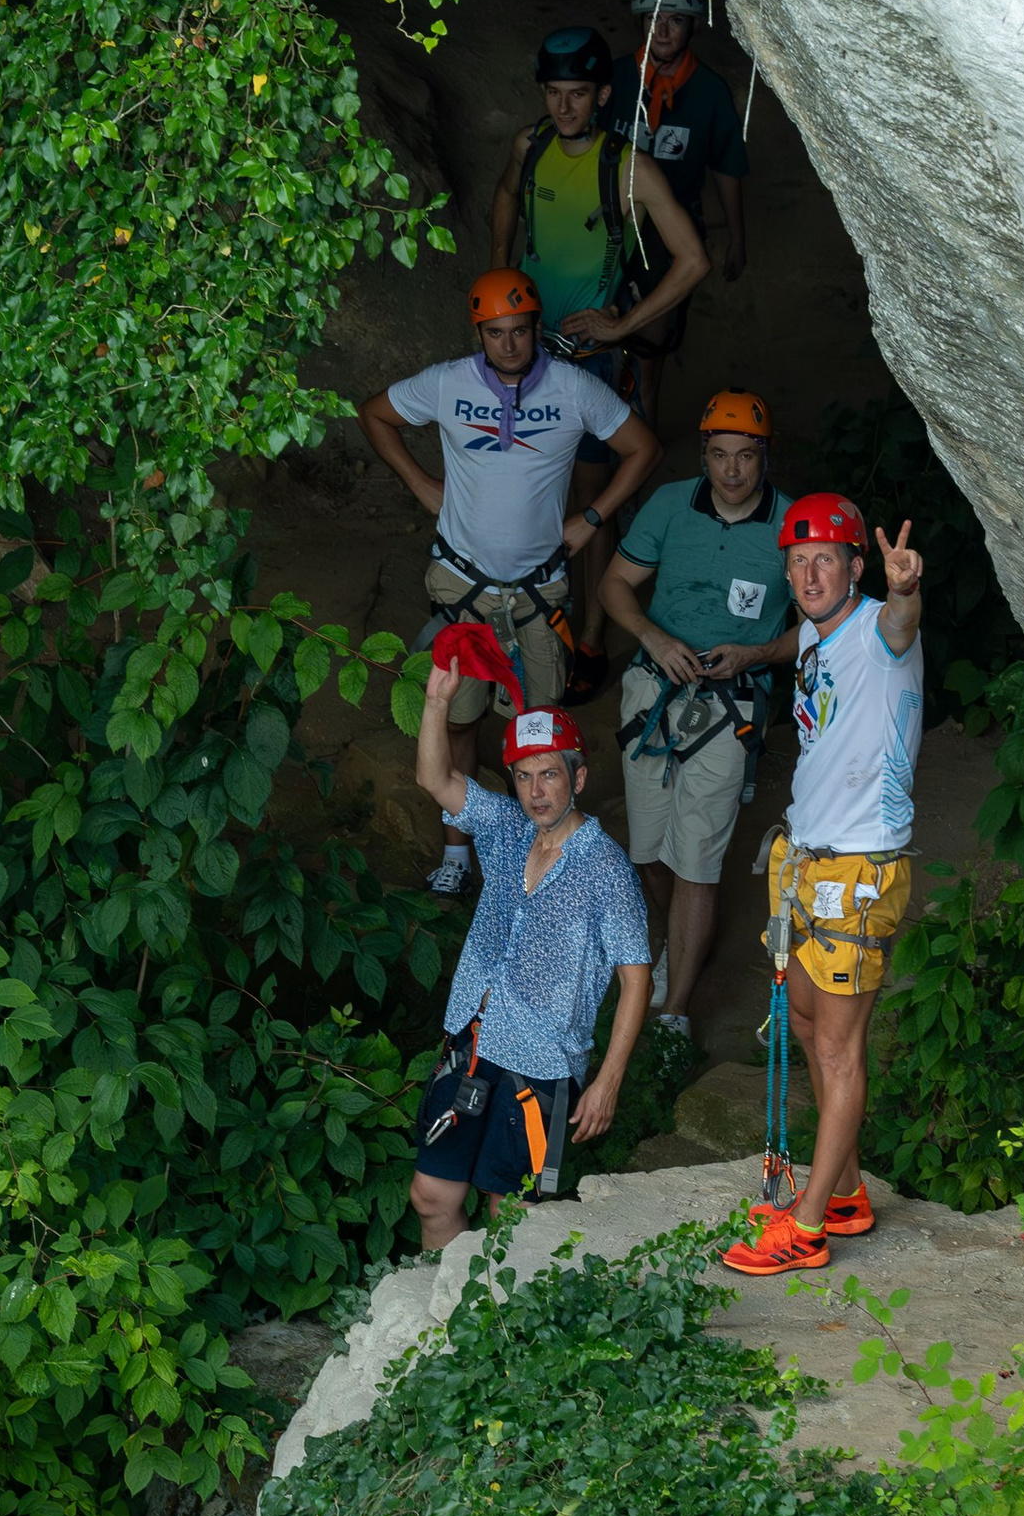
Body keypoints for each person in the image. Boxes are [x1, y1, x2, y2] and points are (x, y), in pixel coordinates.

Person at [360, 270, 659, 899]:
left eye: (519, 331)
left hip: (533, 593)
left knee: (536, 731)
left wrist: (594, 517)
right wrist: (422, 486)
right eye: (496, 333)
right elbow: (376, 414)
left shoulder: (575, 389)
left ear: (535, 327)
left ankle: (535, 862)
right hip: (463, 590)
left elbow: (642, 448)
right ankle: (458, 854)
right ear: (479, 332)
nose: (509, 344)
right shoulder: (447, 383)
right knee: (461, 723)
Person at [723, 493, 925, 1276]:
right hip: (808, 859)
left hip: (859, 867)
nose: (810, 573)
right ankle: (844, 1191)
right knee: (806, 1026)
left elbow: (898, 627)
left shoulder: (880, 630)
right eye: (798, 561)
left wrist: (906, 590)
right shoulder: (814, 630)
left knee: (838, 1049)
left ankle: (806, 1227)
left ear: (855, 567)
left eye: (826, 560)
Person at [409, 668, 651, 1253]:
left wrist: (608, 1082)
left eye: (549, 775)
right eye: (523, 777)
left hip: (539, 1066)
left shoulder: (607, 870)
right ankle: (448, 1325)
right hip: (473, 1038)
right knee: (431, 1196)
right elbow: (435, 778)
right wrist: (437, 700)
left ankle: (500, 1335)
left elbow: (636, 980)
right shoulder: (505, 830)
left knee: (509, 1215)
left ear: (579, 777)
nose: (536, 791)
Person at [490, 25, 710, 629]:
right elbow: (507, 196)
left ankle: (588, 635)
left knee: (591, 502)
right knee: (528, 490)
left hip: (590, 360)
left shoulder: (628, 168)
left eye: (579, 94)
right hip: (525, 355)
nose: (564, 107)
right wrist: (498, 280)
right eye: (554, 92)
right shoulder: (528, 146)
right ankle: (534, 619)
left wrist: (624, 327)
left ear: (604, 97)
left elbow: (693, 259)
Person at [598, 388, 797, 1040]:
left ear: (764, 456)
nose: (733, 471)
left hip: (731, 704)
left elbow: (824, 626)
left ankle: (675, 1010)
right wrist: (653, 638)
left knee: (695, 864)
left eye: (745, 456)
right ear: (703, 454)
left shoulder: (791, 524)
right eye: (720, 455)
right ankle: (684, 941)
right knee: (650, 854)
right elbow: (615, 585)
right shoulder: (669, 504)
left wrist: (758, 653)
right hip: (655, 691)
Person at [610, 0, 751, 427]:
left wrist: (736, 236)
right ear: (638, 22)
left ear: (693, 25)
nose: (663, 30)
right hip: (611, 227)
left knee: (650, 350)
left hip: (670, 238)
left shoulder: (708, 93)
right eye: (652, 18)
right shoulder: (612, 82)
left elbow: (726, 166)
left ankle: (638, 441)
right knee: (600, 341)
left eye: (675, 19)